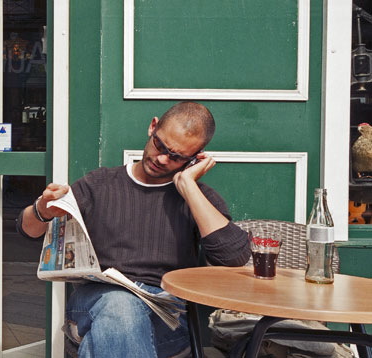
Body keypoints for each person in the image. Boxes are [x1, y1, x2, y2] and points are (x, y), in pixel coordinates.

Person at [18, 102, 249, 358]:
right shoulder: (99, 184)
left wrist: (188, 185)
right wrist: (43, 209)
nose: (162, 159)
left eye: (176, 157)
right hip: (97, 300)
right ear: (152, 127)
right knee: (120, 306)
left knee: (106, 336)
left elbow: (234, 258)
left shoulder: (199, 198)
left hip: (165, 315)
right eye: (160, 146)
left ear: (196, 156)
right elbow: (28, 230)